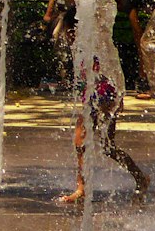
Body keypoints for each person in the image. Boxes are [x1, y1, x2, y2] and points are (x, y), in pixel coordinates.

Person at [61, 53, 149, 204]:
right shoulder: (79, 43)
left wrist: (120, 95)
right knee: (80, 143)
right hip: (90, 93)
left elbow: (114, 64)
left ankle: (140, 177)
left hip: (106, 94)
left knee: (108, 147)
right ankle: (81, 189)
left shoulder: (101, 43)